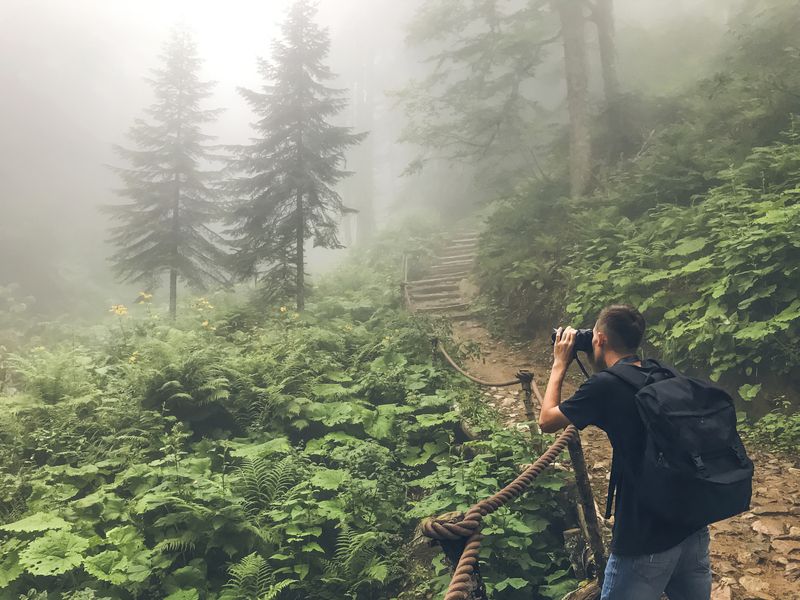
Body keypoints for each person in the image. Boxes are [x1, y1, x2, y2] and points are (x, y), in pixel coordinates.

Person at [539, 304, 712, 600]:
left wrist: (559, 363)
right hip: (692, 526)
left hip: (644, 537)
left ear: (600, 339)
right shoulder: (663, 371)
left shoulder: (605, 386)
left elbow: (547, 421)